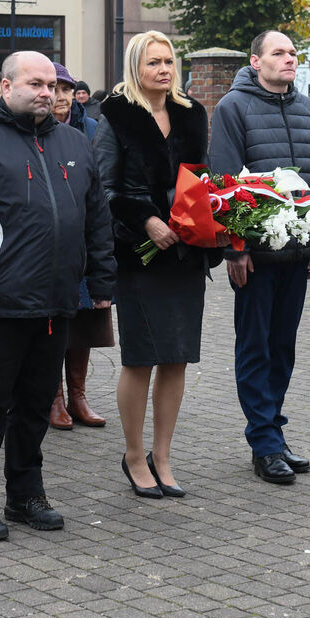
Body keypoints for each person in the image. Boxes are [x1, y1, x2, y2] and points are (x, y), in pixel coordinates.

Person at [0, 51, 116, 541]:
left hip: (56, 300)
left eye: (52, 85)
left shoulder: (74, 143)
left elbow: (96, 217)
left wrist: (101, 283)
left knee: (35, 405)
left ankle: (25, 494)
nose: (46, 93)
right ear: (5, 87)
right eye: (34, 83)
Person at [209, 30, 310, 485]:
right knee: (255, 347)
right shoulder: (233, 108)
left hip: (299, 253)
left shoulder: (307, 109)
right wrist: (235, 248)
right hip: (256, 257)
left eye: (292, 54)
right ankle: (263, 443)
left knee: (283, 346)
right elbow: (223, 183)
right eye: (279, 53)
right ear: (255, 60)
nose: (289, 60)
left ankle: (274, 433)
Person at [95, 31, 219, 498]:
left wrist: (203, 221)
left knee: (177, 358)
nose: (164, 70)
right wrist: (146, 220)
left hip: (185, 257)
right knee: (141, 358)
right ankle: (132, 455)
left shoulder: (192, 115)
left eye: (169, 61)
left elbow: (201, 180)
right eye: (154, 63)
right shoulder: (115, 116)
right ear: (136, 68)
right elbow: (102, 189)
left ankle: (162, 456)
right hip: (139, 257)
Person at [48, 60, 107, 431]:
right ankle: (53, 398)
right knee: (54, 320)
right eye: (54, 88)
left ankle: (78, 395)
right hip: (50, 240)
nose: (61, 96)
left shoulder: (91, 128)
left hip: (84, 236)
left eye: (67, 89)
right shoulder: (35, 130)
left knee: (83, 319)